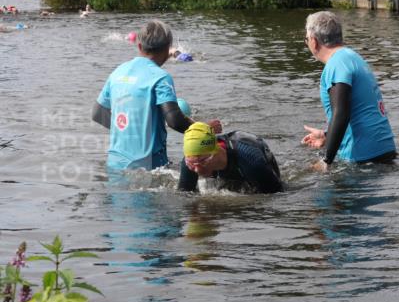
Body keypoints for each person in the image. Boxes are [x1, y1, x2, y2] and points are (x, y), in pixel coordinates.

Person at [92, 20, 221, 170]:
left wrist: (128, 131)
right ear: (168, 50)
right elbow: (175, 120)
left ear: (139, 46)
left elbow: (97, 113)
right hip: (149, 166)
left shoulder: (118, 72)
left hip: (114, 163)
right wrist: (205, 129)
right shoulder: (160, 77)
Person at [302, 11, 396, 171]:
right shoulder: (353, 57)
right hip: (384, 152)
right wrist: (326, 136)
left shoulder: (336, 64)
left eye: (306, 39)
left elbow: (341, 113)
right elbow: (356, 111)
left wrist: (326, 160)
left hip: (363, 158)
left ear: (314, 41)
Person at [178, 122, 283, 193]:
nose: (197, 169)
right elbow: (185, 197)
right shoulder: (189, 162)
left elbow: (276, 196)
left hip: (253, 153)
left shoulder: (251, 159)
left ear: (216, 151)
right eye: (191, 163)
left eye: (203, 161)